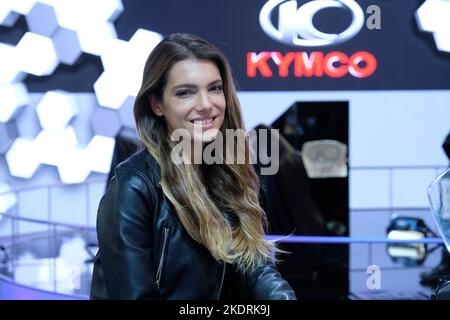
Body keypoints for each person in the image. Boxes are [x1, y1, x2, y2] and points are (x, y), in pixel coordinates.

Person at [90, 33, 296, 300]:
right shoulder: (133, 186)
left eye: (214, 88)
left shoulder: (229, 172)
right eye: (186, 93)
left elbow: (253, 265)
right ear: (156, 105)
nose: (206, 105)